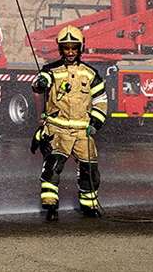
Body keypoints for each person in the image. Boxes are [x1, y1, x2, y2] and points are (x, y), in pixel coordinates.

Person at [30, 25, 107, 222]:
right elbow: (40, 82)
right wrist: (40, 83)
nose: (70, 52)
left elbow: (101, 101)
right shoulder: (51, 71)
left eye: (74, 48)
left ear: (80, 48)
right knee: (53, 168)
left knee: (90, 172)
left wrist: (95, 124)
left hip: (83, 133)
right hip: (58, 131)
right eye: (66, 48)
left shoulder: (90, 74)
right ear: (61, 49)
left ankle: (89, 206)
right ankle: (50, 207)